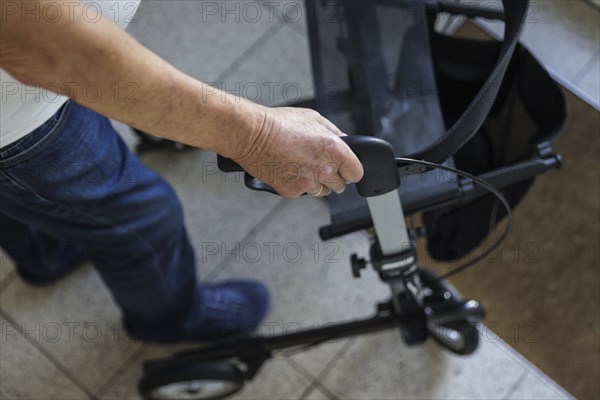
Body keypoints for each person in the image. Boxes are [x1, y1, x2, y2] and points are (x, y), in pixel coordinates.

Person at [0, 0, 363, 343]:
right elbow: (49, 49)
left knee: (34, 198)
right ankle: (169, 321)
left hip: (32, 97)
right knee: (142, 217)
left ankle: (45, 255)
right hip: (25, 119)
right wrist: (255, 137)